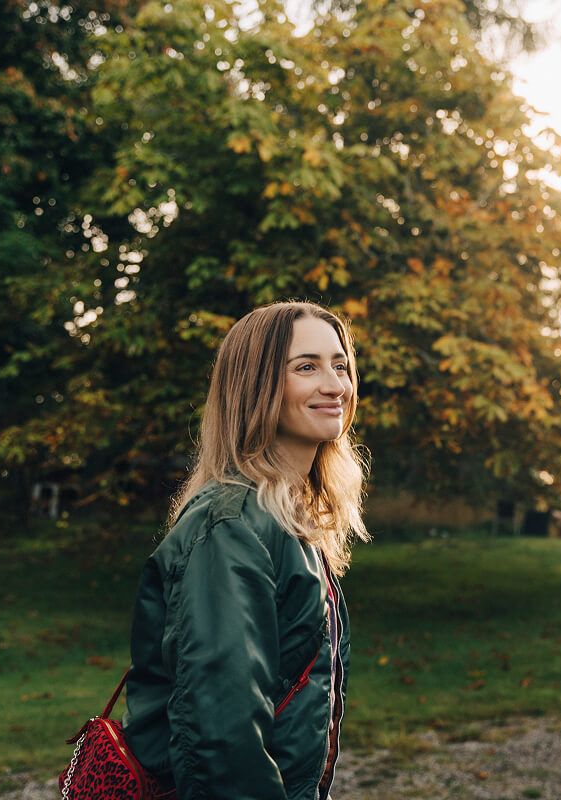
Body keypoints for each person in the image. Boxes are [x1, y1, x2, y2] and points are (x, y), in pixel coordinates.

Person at [122, 301, 369, 800]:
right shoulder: (231, 525)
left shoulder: (285, 518)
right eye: (306, 367)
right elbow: (221, 733)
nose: (335, 385)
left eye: (339, 365)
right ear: (256, 385)